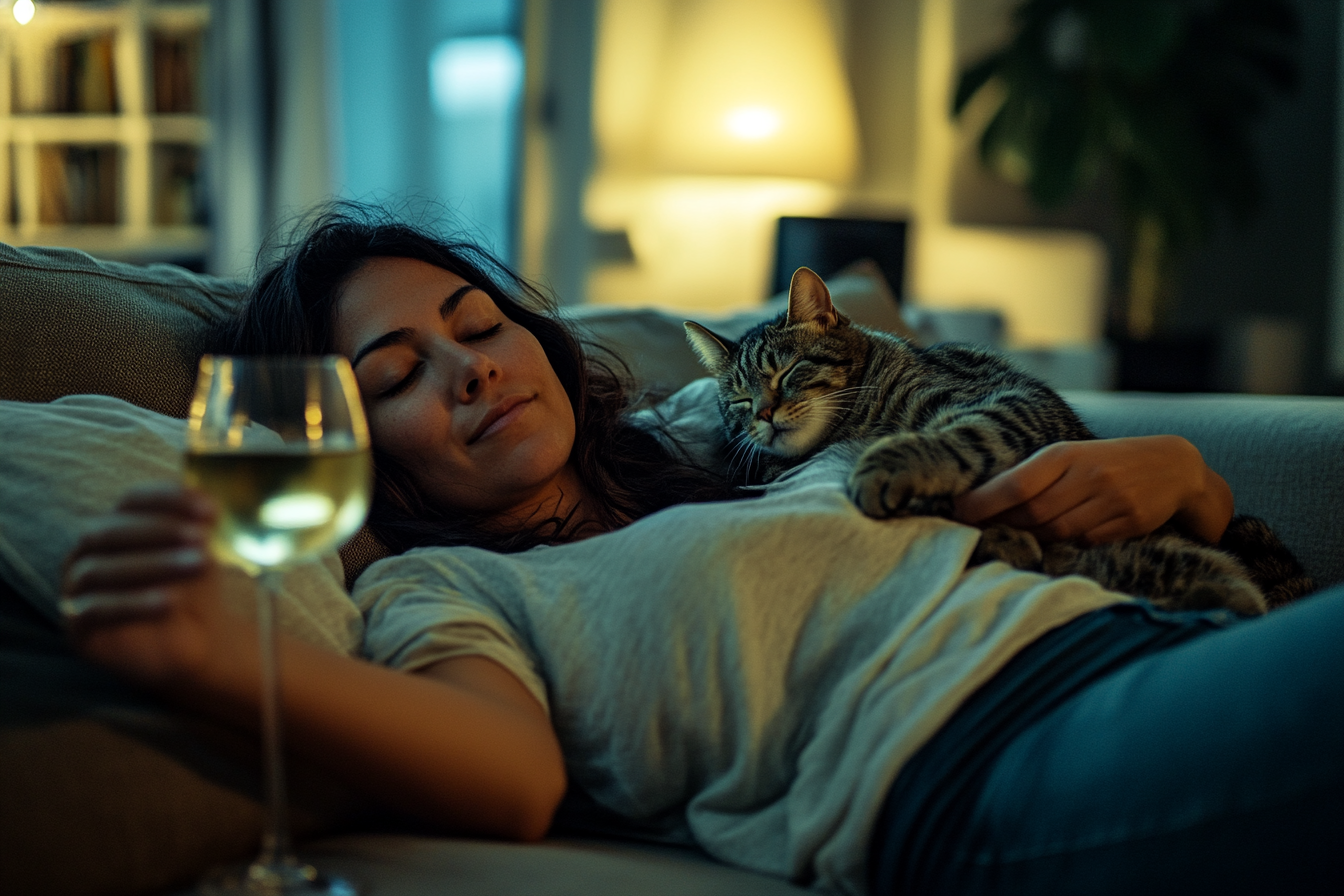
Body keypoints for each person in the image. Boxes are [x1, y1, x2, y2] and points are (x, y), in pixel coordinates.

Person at [62, 204, 1342, 895]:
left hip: (1144, 629)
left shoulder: (714, 439)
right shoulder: (447, 582)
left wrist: (1188, 481)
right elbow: (504, 775)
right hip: (981, 759)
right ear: (354, 439)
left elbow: (985, 450)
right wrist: (224, 658)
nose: (472, 369)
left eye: (478, 322)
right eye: (399, 373)